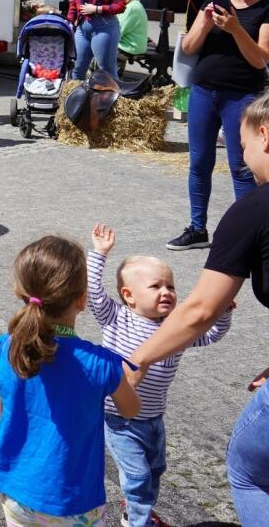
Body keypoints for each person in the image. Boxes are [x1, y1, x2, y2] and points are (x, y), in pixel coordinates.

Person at [130, 93, 269, 521]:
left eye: (241, 145)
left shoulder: (253, 211)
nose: (240, 158)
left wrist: (136, 361)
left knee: (250, 472)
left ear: (265, 135)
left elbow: (199, 312)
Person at [0, 236, 141, 525]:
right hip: (76, 502)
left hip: (18, 496)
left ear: (21, 292)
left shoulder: (2, 349)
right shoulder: (100, 363)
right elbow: (131, 410)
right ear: (82, 299)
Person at [86, 223, 231, 527]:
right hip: (118, 418)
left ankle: (135, 511)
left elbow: (211, 334)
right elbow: (93, 292)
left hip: (154, 417)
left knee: (154, 470)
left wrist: (224, 310)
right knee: (137, 476)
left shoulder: (176, 328)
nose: (166, 292)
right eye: (156, 287)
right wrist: (99, 254)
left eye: (171, 287)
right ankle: (138, 523)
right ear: (129, 295)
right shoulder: (116, 317)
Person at [166, 0, 269, 251]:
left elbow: (259, 59)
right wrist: (206, 23)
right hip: (204, 91)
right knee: (199, 163)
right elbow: (187, 47)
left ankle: (250, 235)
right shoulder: (216, 2)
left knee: (242, 167)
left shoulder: (266, 7)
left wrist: (236, 28)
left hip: (242, 96)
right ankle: (198, 229)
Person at [117, 0, 149, 67]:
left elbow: (117, 32)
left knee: (101, 44)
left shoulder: (130, 8)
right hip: (132, 42)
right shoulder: (133, 3)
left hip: (131, 46)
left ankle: (112, 74)